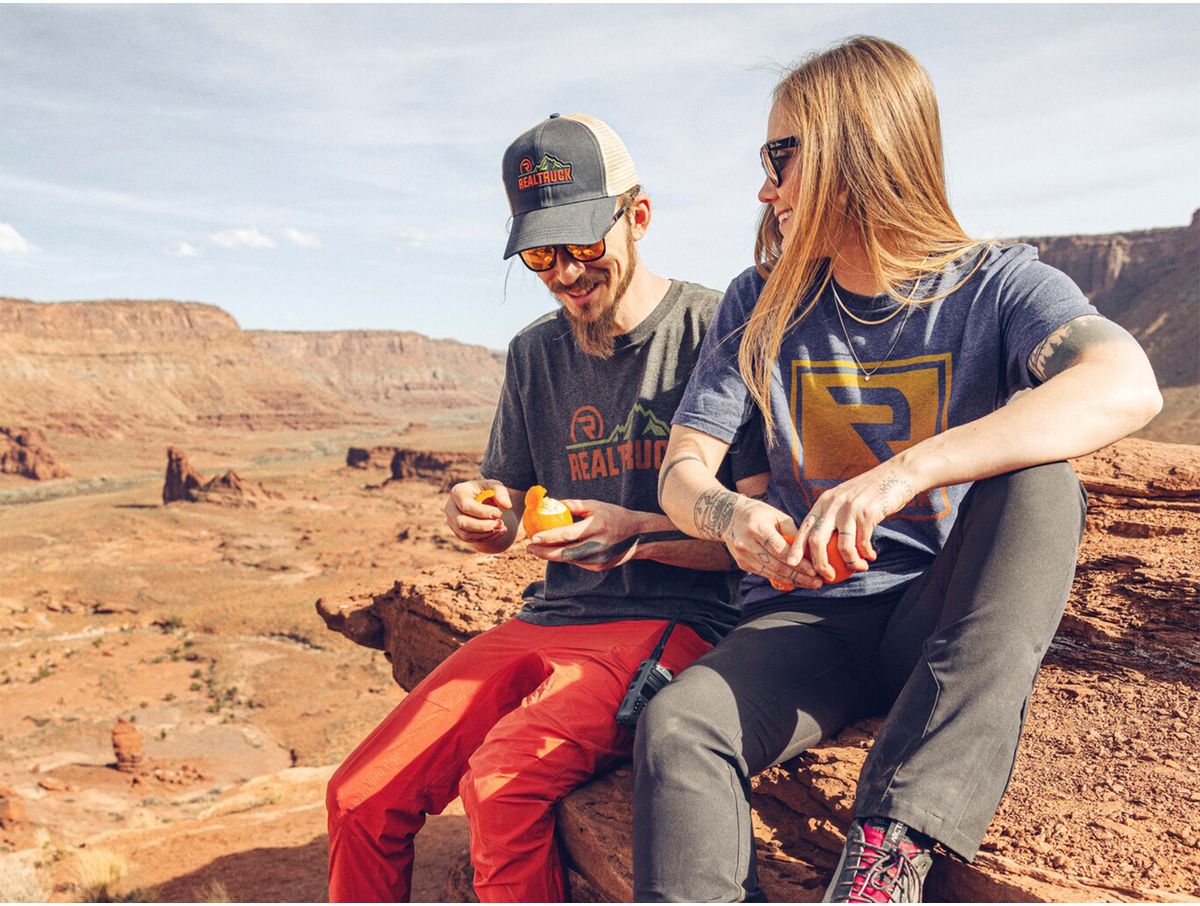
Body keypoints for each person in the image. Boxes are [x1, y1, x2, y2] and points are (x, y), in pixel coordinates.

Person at [636, 36, 1162, 903]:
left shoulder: (996, 285)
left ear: (855, 148)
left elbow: (1125, 381)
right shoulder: (759, 301)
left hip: (939, 615)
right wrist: (731, 517)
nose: (765, 188)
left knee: (1040, 482)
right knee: (678, 726)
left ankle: (887, 860)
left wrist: (903, 474)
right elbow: (682, 471)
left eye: (779, 157)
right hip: (808, 622)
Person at [325, 113, 766, 902]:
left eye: (582, 244)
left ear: (637, 216)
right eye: (540, 254)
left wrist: (634, 539)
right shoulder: (535, 353)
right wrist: (476, 512)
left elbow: (755, 537)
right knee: (359, 796)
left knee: (500, 784)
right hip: (551, 615)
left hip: (676, 621)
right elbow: (506, 512)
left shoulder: (714, 329)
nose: (564, 273)